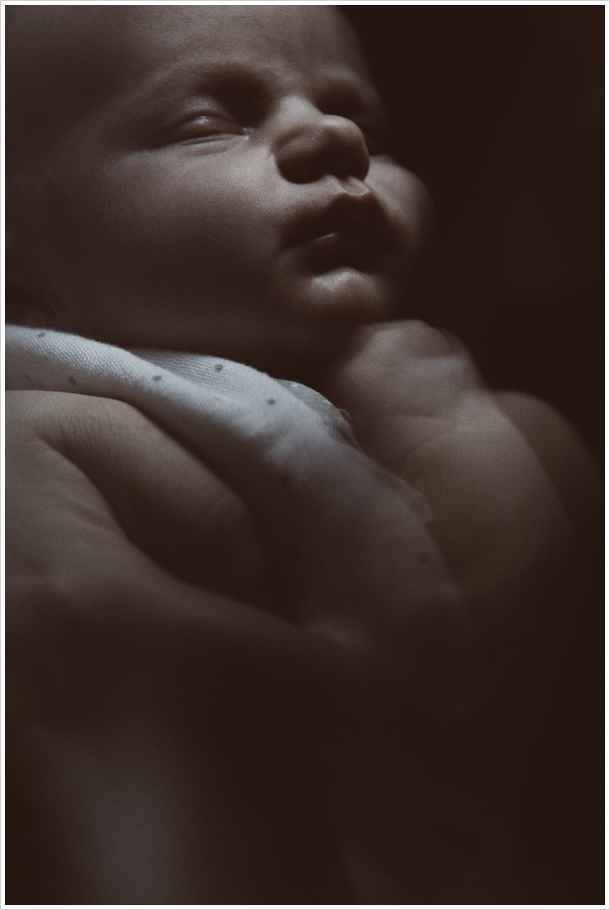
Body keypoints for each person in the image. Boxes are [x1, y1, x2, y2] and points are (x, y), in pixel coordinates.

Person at [4, 5, 601, 904]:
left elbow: (482, 702)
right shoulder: (39, 411)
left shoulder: (441, 401)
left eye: (365, 123)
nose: (335, 139)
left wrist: (448, 431)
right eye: (209, 123)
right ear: (17, 266)